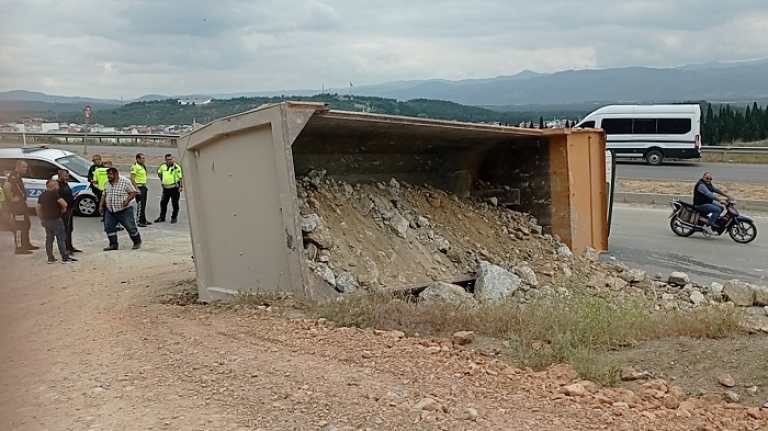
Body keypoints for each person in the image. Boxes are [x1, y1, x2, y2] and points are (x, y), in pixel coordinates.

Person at [99, 167, 142, 251]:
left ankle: (137, 241)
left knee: (130, 227)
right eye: (108, 174)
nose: (109, 176)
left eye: (111, 174)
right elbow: (104, 195)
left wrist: (127, 200)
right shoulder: (107, 183)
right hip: (110, 210)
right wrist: (101, 206)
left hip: (124, 210)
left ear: (116, 174)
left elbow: (133, 192)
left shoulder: (125, 181)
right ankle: (113, 244)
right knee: (109, 227)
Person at [2, 160, 39, 254]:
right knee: (19, 227)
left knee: (26, 224)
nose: (25, 169)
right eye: (23, 167)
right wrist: (12, 199)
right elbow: (6, 187)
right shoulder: (14, 176)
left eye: (26, 167)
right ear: (17, 166)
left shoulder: (18, 176)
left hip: (22, 206)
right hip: (17, 207)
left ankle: (26, 244)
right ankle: (19, 247)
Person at [36, 179, 77, 263]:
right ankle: (65, 257)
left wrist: (41, 218)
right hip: (55, 219)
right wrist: (63, 210)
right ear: (53, 186)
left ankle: (50, 257)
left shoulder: (42, 195)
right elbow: (64, 204)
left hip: (46, 220)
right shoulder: (54, 194)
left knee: (49, 238)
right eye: (57, 185)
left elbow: (38, 208)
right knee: (61, 238)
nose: (58, 187)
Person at [57, 169, 81, 253]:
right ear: (60, 176)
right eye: (65, 176)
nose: (67, 177)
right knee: (64, 229)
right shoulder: (58, 185)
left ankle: (70, 246)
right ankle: (65, 248)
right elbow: (58, 198)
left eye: (67, 176)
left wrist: (73, 196)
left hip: (70, 209)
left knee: (69, 229)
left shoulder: (65, 183)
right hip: (64, 211)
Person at [155, 153, 183, 224]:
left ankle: (174, 217)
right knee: (163, 203)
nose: (170, 161)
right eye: (168, 159)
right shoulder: (162, 167)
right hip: (166, 188)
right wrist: (162, 180)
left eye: (171, 159)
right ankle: (162, 217)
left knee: (175, 203)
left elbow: (180, 177)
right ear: (165, 160)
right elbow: (159, 173)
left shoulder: (176, 167)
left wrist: (181, 186)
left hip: (174, 188)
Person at [131, 153, 152, 227]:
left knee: (143, 204)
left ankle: (144, 220)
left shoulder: (143, 166)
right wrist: (136, 188)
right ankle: (139, 221)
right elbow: (132, 178)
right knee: (140, 204)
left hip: (143, 186)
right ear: (137, 159)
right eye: (142, 158)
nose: (144, 160)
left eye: (144, 158)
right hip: (139, 186)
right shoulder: (135, 166)